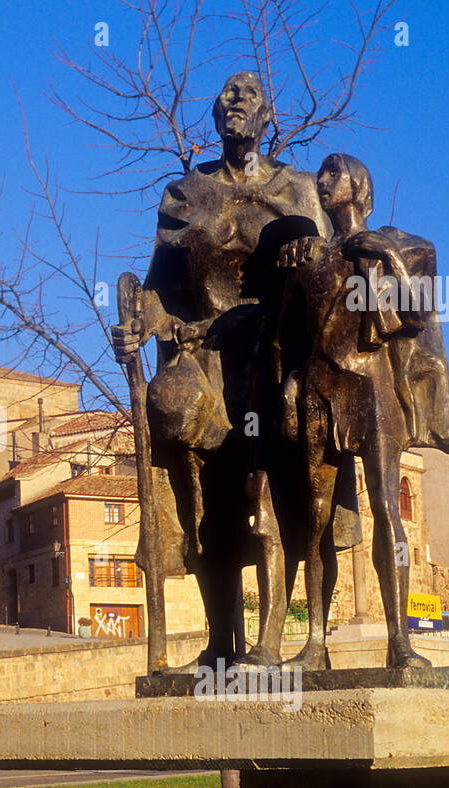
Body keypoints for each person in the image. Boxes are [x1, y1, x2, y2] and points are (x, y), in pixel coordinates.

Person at [111, 71, 334, 668]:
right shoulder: (184, 194)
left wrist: (310, 252)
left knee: (277, 488)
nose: (236, 102)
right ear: (214, 116)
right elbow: (159, 289)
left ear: (269, 120)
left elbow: (330, 270)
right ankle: (217, 641)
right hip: (206, 351)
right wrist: (141, 322)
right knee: (182, 433)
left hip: (272, 350)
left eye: (250, 95)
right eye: (227, 96)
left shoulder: (301, 189)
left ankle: (283, 641)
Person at [276, 153, 449, 668]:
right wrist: (289, 378)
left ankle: (399, 640)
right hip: (319, 386)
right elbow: (285, 336)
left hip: (373, 385)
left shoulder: (398, 246)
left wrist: (383, 252)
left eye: (335, 172)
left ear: (359, 186)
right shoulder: (306, 256)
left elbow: (419, 315)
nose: (323, 179)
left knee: (384, 506)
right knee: (314, 520)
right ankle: (315, 642)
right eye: (322, 174)